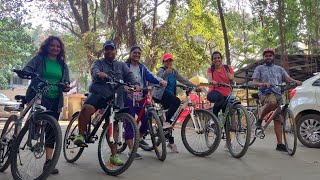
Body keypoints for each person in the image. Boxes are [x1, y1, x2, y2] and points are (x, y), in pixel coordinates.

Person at [73, 40, 140, 166]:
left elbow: (130, 75)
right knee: (87, 109)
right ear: (104, 51)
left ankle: (114, 156)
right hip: (99, 93)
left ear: (115, 51)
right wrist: (99, 74)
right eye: (107, 49)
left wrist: (135, 84)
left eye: (112, 49)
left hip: (115, 99)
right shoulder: (98, 62)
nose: (109, 51)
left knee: (112, 126)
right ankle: (81, 135)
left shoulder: (121, 65)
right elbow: (94, 70)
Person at [22, 35, 70, 174]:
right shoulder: (39, 59)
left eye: (58, 46)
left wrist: (66, 86)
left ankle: (48, 162)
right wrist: (24, 73)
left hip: (55, 99)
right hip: (38, 95)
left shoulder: (63, 65)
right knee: (36, 120)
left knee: (51, 130)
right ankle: (29, 133)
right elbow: (28, 69)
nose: (55, 48)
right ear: (47, 47)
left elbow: (66, 81)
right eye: (52, 45)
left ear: (60, 49)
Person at [252, 47, 302, 152]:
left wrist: (296, 81)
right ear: (263, 57)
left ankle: (279, 144)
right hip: (265, 93)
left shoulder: (279, 69)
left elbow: (288, 79)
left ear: (273, 57)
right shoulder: (259, 68)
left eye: (270, 55)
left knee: (278, 119)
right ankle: (260, 120)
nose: (268, 57)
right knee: (272, 102)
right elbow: (254, 82)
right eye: (266, 56)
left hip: (278, 93)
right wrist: (262, 84)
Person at [124, 45, 167, 159]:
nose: (137, 54)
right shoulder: (125, 66)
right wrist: (125, 87)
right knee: (130, 121)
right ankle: (131, 150)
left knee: (146, 121)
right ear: (130, 54)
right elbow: (120, 79)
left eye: (139, 53)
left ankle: (138, 139)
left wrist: (161, 81)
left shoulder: (142, 68)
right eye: (135, 52)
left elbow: (151, 77)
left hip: (141, 97)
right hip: (128, 98)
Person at [152, 53, 197, 153]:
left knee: (170, 120)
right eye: (167, 61)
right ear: (163, 62)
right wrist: (166, 73)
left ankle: (170, 142)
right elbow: (157, 80)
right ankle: (164, 123)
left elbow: (182, 79)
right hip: (160, 95)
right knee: (176, 102)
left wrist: (195, 86)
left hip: (169, 97)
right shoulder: (161, 70)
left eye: (170, 60)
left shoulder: (174, 71)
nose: (169, 62)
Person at [206, 51, 234, 118]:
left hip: (227, 94)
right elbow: (209, 80)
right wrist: (212, 81)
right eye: (215, 58)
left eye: (218, 58)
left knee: (226, 113)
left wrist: (230, 77)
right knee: (220, 98)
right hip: (213, 92)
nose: (217, 60)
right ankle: (213, 119)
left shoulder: (228, 68)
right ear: (212, 60)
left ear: (221, 59)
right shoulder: (210, 69)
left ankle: (225, 127)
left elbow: (232, 78)